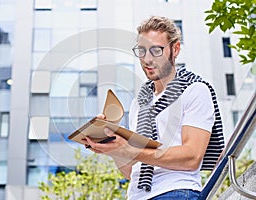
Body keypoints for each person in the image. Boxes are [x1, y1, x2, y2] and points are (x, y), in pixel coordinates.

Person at [83, 16, 224, 200]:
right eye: (141, 51)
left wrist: (129, 150)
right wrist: (112, 147)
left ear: (175, 49)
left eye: (156, 50)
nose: (147, 59)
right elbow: (132, 171)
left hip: (176, 192)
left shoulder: (195, 90)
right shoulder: (140, 103)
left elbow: (192, 157)